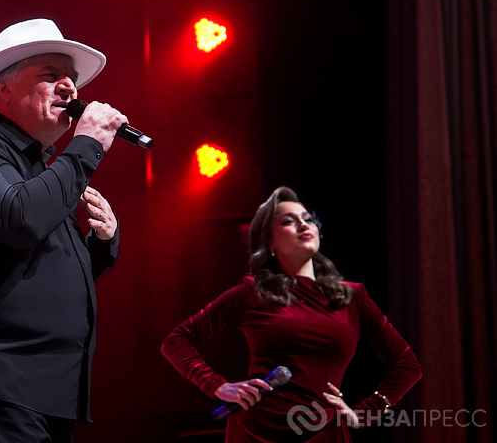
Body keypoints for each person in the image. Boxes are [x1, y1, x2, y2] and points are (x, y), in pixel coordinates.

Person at [0, 18, 125, 442]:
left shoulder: (40, 167)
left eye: (71, 78)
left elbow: (41, 273)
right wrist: (87, 145)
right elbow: (20, 220)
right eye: (50, 74)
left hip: (44, 392)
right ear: (3, 89)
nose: (69, 87)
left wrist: (100, 244)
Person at [161, 186, 422, 442]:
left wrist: (364, 414)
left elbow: (407, 365)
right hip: (256, 431)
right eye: (288, 221)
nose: (303, 224)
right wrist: (217, 385)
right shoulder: (253, 292)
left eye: (307, 219)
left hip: (325, 431)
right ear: (270, 242)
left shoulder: (353, 297)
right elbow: (176, 340)